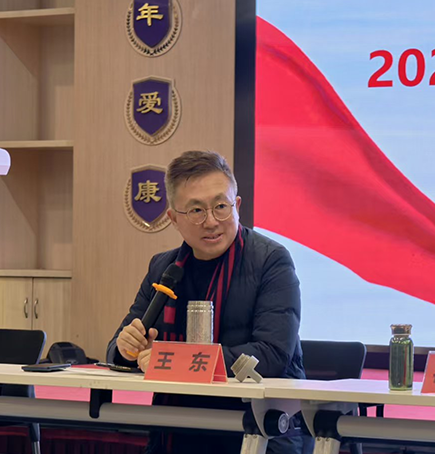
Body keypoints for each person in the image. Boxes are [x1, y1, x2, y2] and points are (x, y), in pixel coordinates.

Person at [107, 151, 306, 453]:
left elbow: (272, 355)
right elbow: (117, 348)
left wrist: (174, 362)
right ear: (174, 218)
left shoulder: (270, 261)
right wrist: (125, 349)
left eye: (221, 207)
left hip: (260, 429)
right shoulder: (164, 268)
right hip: (176, 427)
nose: (211, 221)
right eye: (196, 210)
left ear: (237, 206)